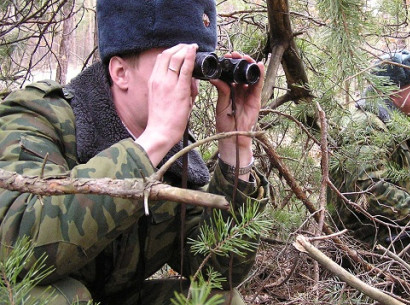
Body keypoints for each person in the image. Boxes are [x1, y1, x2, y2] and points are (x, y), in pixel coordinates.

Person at [0, 1, 268, 304]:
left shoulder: (176, 161)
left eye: (195, 71)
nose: (190, 88)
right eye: (174, 68)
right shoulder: (38, 116)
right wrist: (152, 142)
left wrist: (236, 150)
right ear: (120, 72)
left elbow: (218, 271)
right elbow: (18, 251)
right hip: (25, 291)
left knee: (221, 299)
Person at [329, 50, 410, 266]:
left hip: (393, 209)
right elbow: (367, 191)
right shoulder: (367, 126)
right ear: (393, 89)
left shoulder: (398, 116)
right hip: (367, 230)